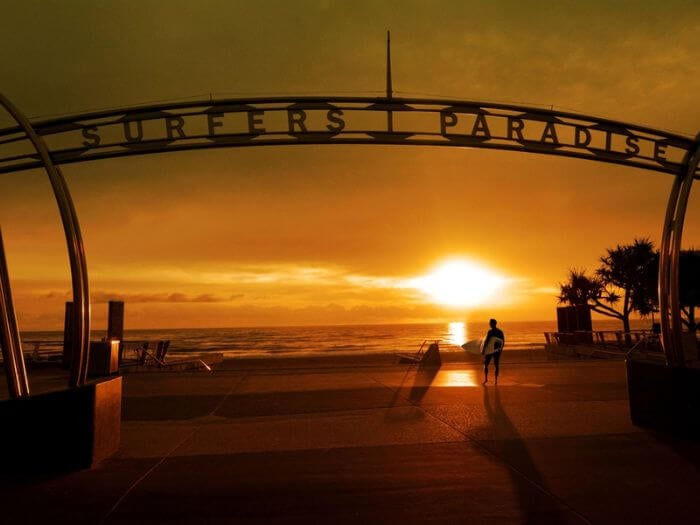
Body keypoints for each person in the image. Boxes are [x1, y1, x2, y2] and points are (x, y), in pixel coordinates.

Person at [481, 318, 505, 385]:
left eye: (490, 323)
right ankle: (494, 381)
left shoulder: (490, 332)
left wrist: (483, 349)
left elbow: (487, 341)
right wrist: (500, 349)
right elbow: (503, 342)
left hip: (491, 350)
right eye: (490, 323)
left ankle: (488, 380)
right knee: (493, 365)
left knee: (487, 364)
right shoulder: (500, 331)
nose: (490, 324)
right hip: (496, 350)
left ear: (493, 324)